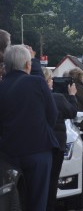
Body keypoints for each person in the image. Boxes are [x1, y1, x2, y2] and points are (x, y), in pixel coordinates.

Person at [0, 45, 59, 211]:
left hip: (8, 153)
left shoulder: (1, 86)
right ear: (28, 65)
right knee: (37, 202)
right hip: (38, 150)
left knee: (11, 202)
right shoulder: (37, 82)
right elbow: (52, 115)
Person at [42, 67, 78, 211]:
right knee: (52, 181)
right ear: (47, 81)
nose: (52, 82)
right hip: (56, 145)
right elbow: (72, 112)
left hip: (37, 145)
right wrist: (72, 95)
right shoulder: (57, 98)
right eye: (50, 79)